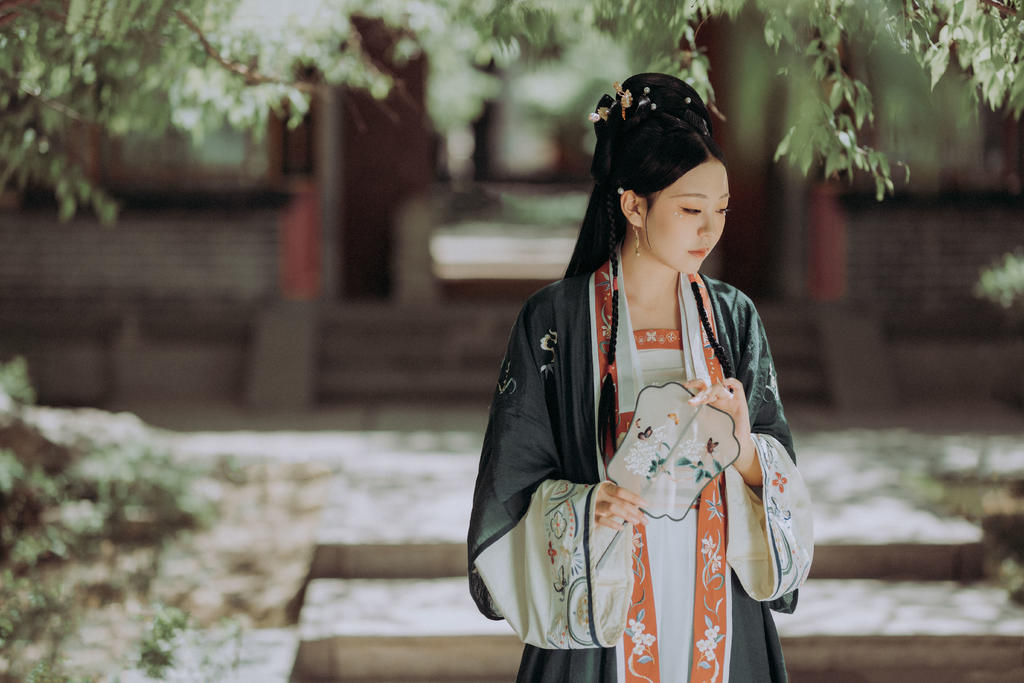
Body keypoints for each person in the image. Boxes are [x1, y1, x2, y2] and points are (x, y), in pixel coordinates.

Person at [467, 73, 813, 683]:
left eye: (721, 212)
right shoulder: (557, 320)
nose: (710, 230)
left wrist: (748, 454)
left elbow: (774, 455)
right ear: (633, 205)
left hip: (716, 596)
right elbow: (510, 479)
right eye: (689, 210)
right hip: (606, 594)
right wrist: (584, 507)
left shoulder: (731, 318)